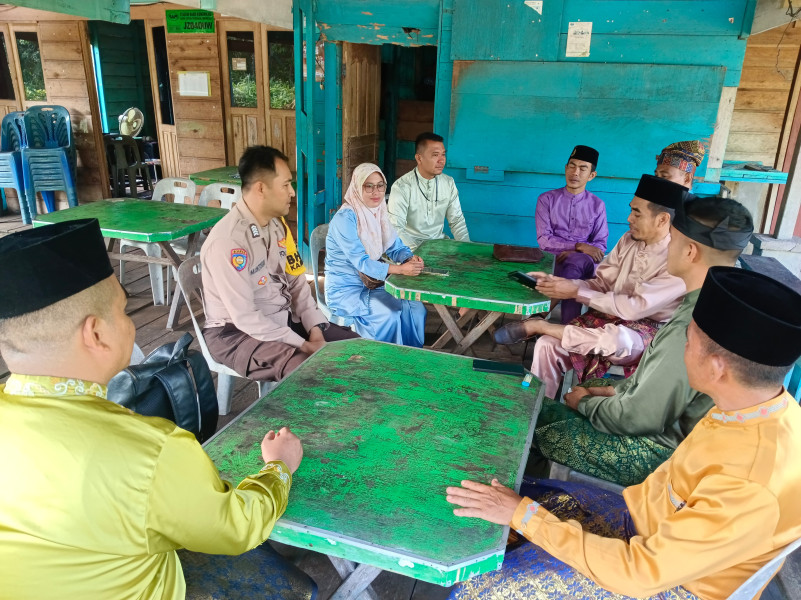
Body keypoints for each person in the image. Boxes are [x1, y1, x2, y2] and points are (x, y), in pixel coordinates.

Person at [446, 266, 801, 600]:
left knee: (480, 586)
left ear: (716, 366)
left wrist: (523, 515)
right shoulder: (756, 409)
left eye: (686, 342)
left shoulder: (751, 483)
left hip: (669, 583)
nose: (680, 349)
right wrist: (521, 511)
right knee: (497, 497)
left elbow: (641, 572)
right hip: (646, 522)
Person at [0, 219, 307, 599]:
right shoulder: (151, 452)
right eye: (124, 311)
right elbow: (234, 527)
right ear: (95, 334)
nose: (131, 325)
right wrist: (278, 467)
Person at [533, 196, 754, 486]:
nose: (666, 246)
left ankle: (530, 492)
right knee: (587, 389)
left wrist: (585, 405)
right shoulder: (721, 299)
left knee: (531, 418)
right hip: (680, 429)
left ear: (689, 251)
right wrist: (610, 392)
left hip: (663, 454)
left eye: (672, 238)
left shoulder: (692, 328)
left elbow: (639, 418)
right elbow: (654, 384)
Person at [496, 174, 687, 399]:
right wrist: (564, 284)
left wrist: (576, 292)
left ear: (662, 219)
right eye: (631, 210)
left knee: (616, 339)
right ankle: (537, 407)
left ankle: (540, 326)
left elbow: (633, 309)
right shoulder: (628, 240)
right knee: (547, 345)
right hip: (607, 317)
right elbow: (601, 282)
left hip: (649, 331)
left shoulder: (679, 257)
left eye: (637, 213)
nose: (629, 218)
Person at [201, 145, 358, 383]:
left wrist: (315, 328)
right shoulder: (228, 242)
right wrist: (304, 345)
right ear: (261, 189)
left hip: (281, 319)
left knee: (358, 349)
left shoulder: (277, 226)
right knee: (310, 371)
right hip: (235, 334)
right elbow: (245, 317)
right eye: (285, 185)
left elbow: (296, 283)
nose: (292, 192)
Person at [326, 163, 428, 347]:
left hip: (374, 283)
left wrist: (408, 258)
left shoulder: (379, 211)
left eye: (380, 185)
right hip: (347, 289)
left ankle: (412, 356)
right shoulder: (345, 219)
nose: (376, 192)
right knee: (388, 314)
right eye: (369, 186)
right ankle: (381, 362)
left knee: (416, 308)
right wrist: (400, 269)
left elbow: (395, 246)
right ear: (357, 187)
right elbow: (362, 262)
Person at [531, 144, 608, 325]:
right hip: (553, 260)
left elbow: (599, 247)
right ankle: (569, 328)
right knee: (571, 269)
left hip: (584, 263)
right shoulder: (546, 199)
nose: (575, 172)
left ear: (591, 175)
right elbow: (544, 240)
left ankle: (541, 315)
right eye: (572, 166)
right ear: (565, 168)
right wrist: (578, 246)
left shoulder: (597, 205)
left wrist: (578, 253)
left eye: (583, 169)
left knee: (574, 263)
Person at [388, 132, 470, 251]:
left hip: (439, 245)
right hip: (409, 249)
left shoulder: (448, 183)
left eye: (443, 154)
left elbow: (456, 221)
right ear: (419, 158)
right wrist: (416, 254)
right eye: (435, 155)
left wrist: (466, 248)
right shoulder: (402, 187)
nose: (441, 160)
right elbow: (395, 228)